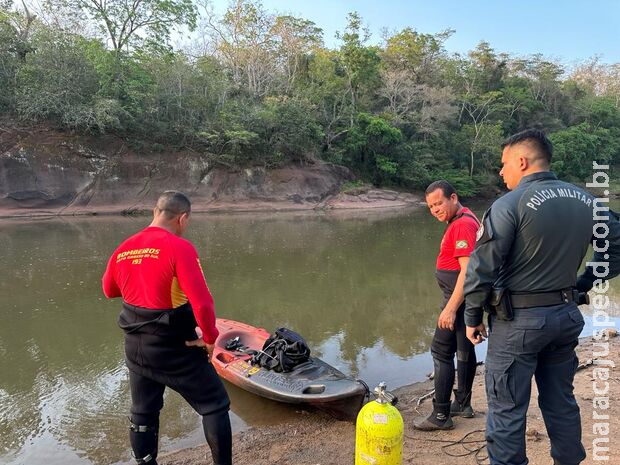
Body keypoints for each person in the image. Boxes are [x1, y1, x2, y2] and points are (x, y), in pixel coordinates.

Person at [464, 129, 620, 465]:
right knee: (561, 400)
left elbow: (481, 269)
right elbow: (617, 246)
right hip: (565, 317)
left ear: (522, 161)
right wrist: (584, 281)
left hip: (518, 324)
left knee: (506, 409)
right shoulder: (587, 200)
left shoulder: (508, 205)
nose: (501, 172)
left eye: (504, 164)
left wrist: (472, 318)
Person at [102, 191, 232, 465]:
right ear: (182, 218)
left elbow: (109, 290)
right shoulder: (179, 247)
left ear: (155, 211)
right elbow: (203, 304)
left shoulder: (124, 247)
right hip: (174, 346)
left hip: (136, 347)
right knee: (215, 404)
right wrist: (209, 338)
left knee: (143, 412)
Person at [414, 180, 480, 431]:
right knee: (463, 351)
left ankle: (441, 415)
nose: (435, 210)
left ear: (453, 197)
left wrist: (450, 308)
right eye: (430, 206)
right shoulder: (464, 218)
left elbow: (467, 272)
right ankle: (462, 403)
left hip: (458, 299)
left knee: (440, 352)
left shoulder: (462, 224)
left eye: (439, 203)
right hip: (465, 300)